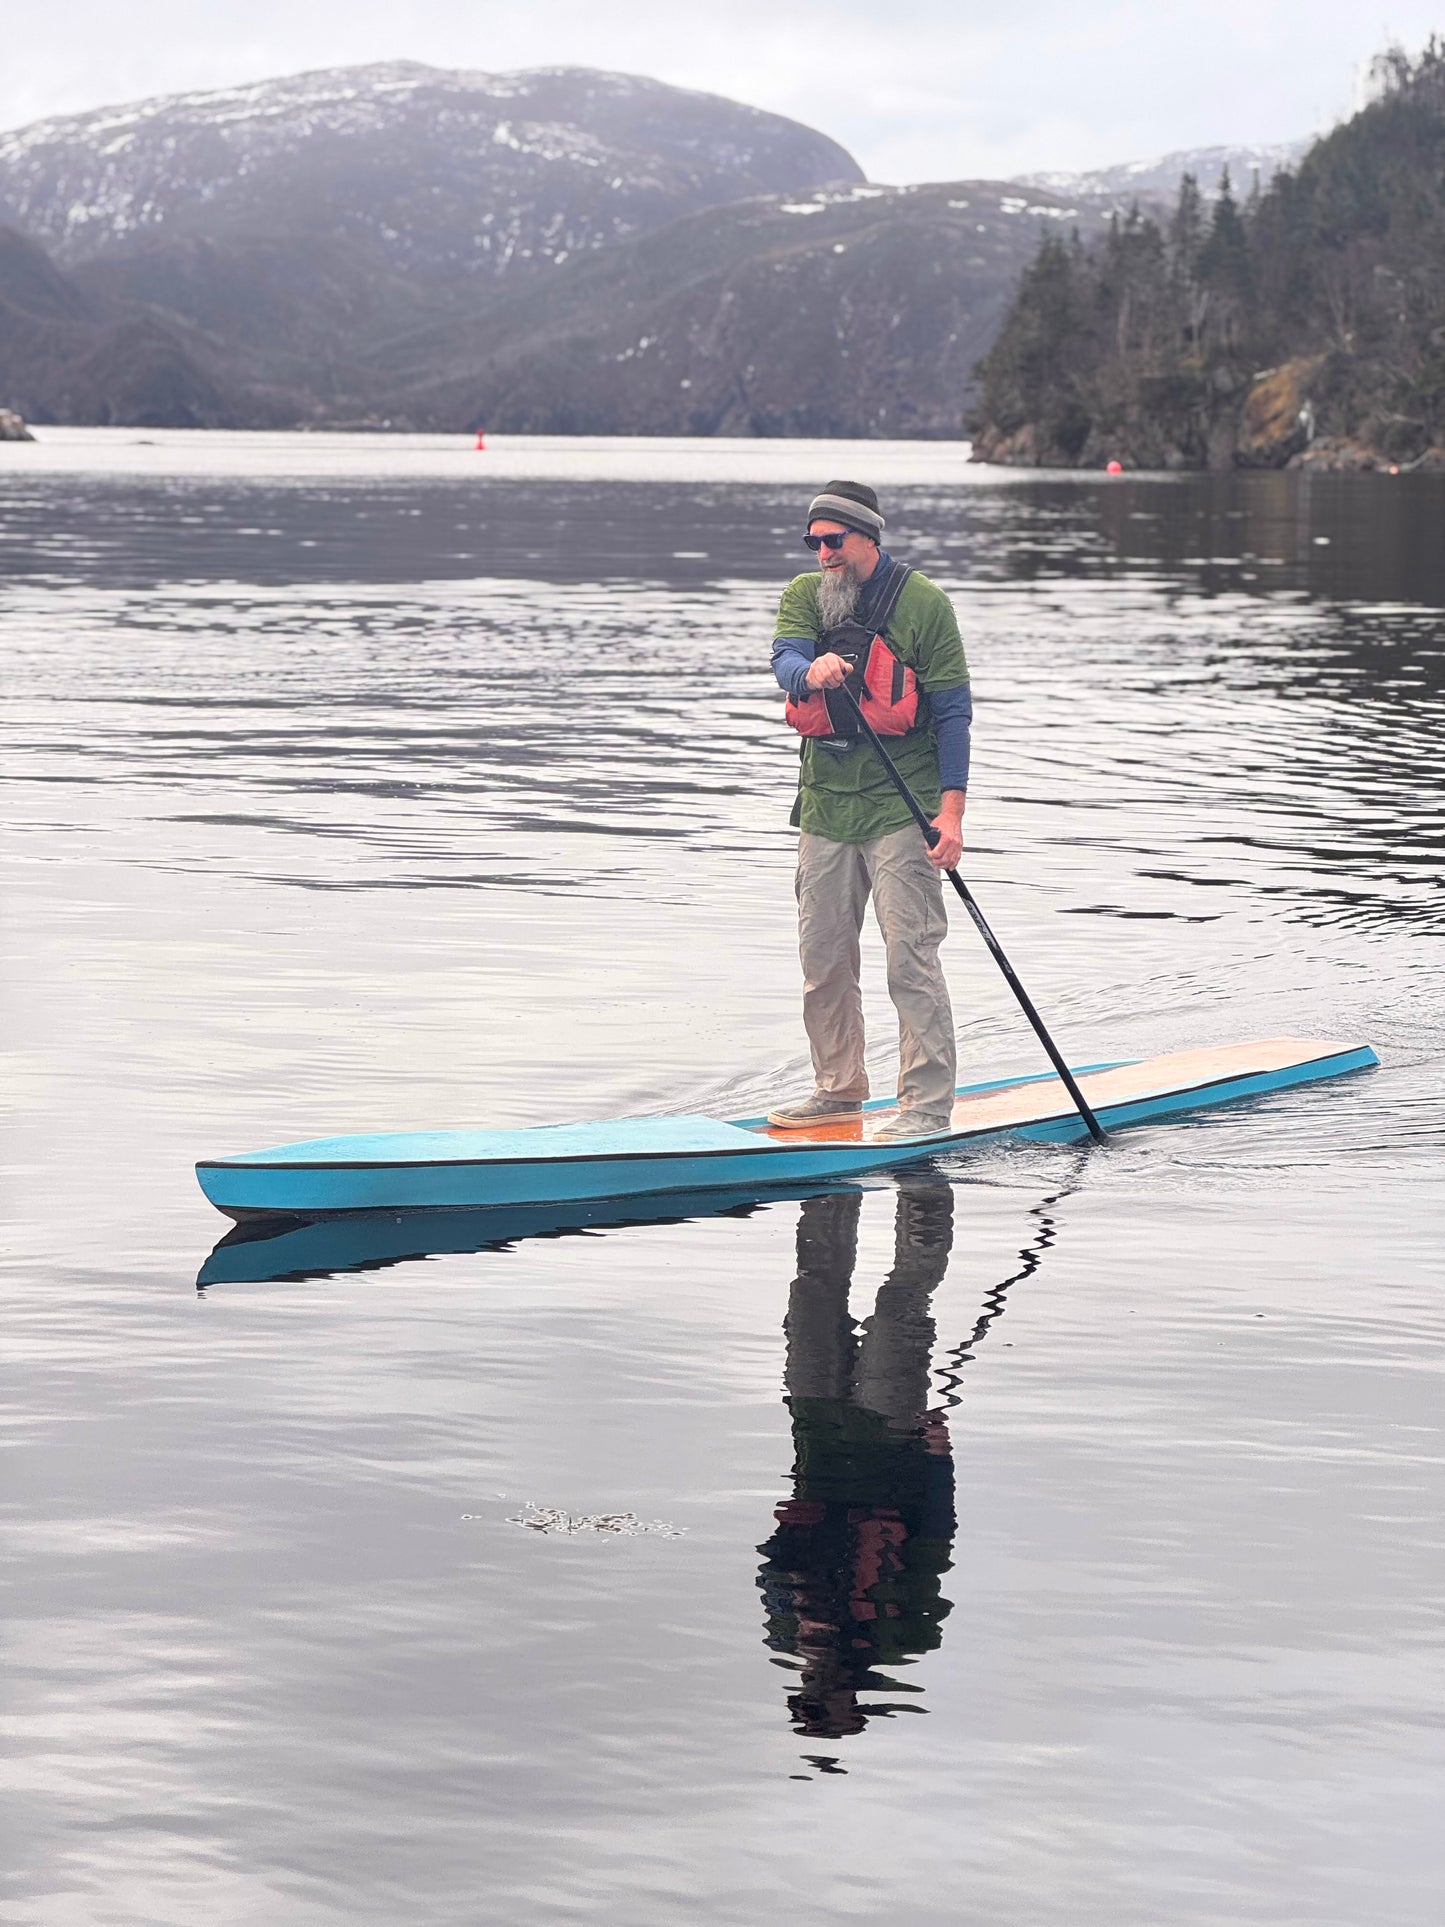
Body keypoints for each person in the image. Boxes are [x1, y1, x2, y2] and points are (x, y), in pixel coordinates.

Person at [768, 481, 972, 1139]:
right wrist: (810, 672)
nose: (822, 553)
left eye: (833, 540)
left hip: (900, 808)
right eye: (814, 542)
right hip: (825, 808)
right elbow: (784, 659)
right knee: (822, 958)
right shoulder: (804, 596)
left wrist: (951, 815)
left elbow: (951, 713)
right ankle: (838, 1089)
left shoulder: (924, 605)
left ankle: (925, 1106)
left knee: (909, 957)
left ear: (867, 538)